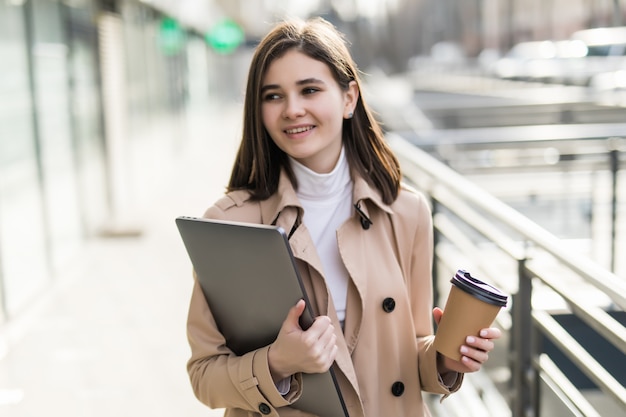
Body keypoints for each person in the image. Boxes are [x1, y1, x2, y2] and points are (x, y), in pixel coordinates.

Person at [186, 16, 502, 417]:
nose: (292, 109)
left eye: (310, 90)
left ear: (349, 97)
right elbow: (204, 376)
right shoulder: (228, 224)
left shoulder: (406, 212)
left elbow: (411, 354)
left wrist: (445, 360)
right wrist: (278, 362)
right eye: (273, 96)